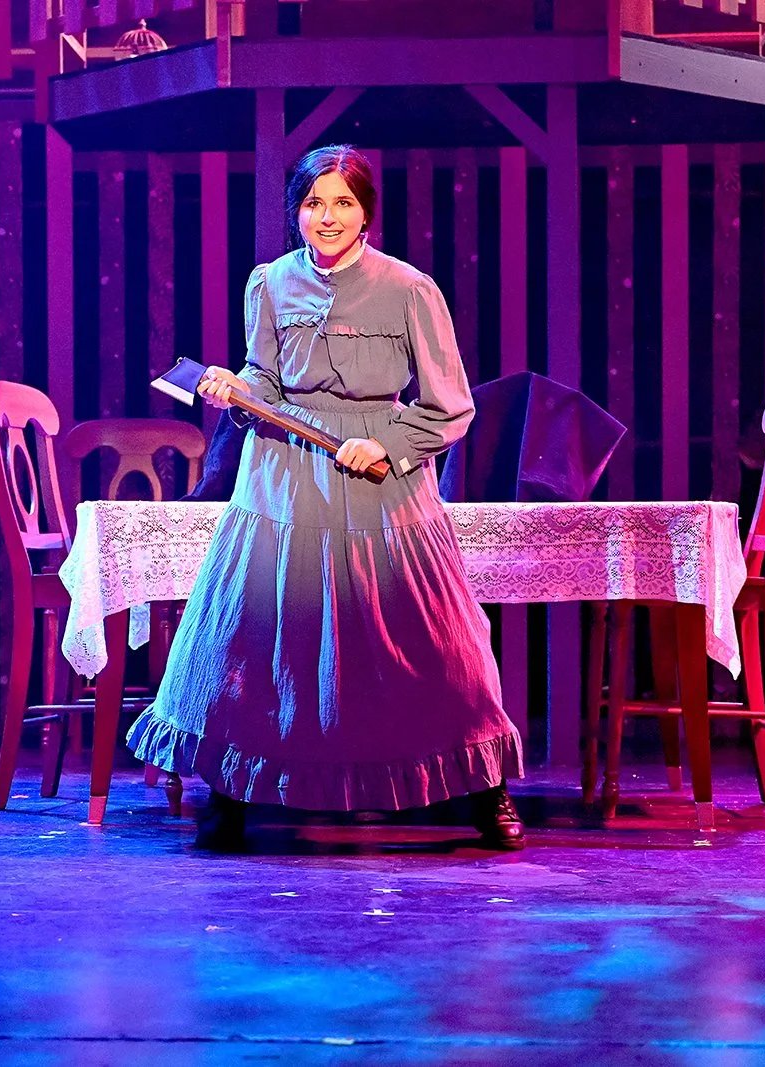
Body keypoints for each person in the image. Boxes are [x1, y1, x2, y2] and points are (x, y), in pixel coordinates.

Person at [126, 144, 524, 851]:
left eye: (343, 202)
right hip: (282, 470)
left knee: (437, 636)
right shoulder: (270, 284)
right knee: (251, 633)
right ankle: (230, 791)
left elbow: (450, 405)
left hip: (383, 474)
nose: (328, 216)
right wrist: (236, 392)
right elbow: (265, 389)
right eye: (314, 203)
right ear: (296, 212)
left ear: (367, 210)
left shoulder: (409, 289)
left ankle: (486, 787)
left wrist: (393, 445)